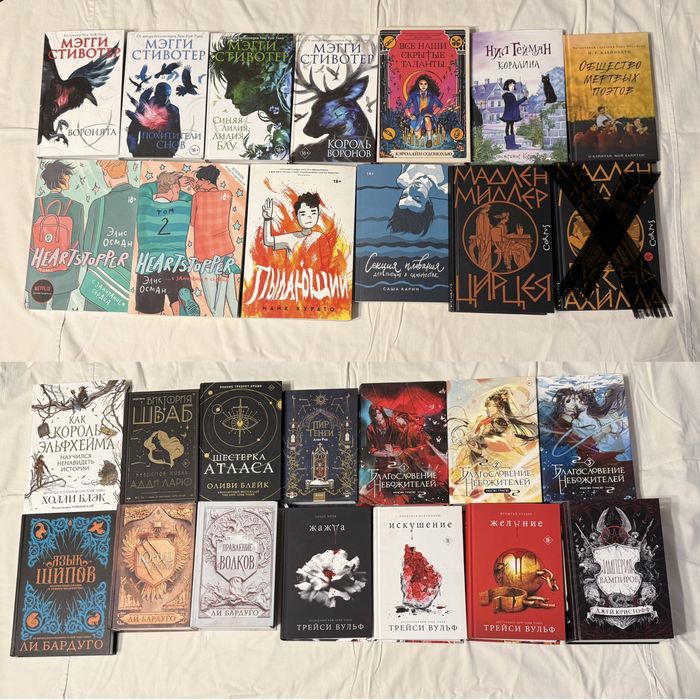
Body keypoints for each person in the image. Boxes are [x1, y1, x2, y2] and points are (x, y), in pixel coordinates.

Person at [135, 171, 196, 315]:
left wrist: (168, 182)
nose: (179, 193)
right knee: (179, 302)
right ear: (173, 188)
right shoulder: (184, 207)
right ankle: (180, 300)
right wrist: (176, 184)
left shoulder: (144, 204)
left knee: (149, 313)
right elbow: (193, 198)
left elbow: (145, 188)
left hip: (149, 263)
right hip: (177, 262)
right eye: (178, 190)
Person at [80, 160, 138, 312]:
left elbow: (87, 249)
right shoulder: (143, 199)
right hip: (132, 286)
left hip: (99, 285)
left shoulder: (98, 204)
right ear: (126, 170)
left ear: (105, 174)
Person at [27, 160, 84, 310]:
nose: (69, 178)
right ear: (60, 178)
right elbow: (80, 245)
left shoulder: (34, 204)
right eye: (67, 176)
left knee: (35, 315)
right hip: (65, 274)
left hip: (35, 274)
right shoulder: (77, 207)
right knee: (61, 316)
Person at [185, 165, 240, 317]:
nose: (197, 183)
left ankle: (223, 277)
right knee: (233, 299)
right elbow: (212, 196)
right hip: (225, 250)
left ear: (206, 180)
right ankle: (225, 275)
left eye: (199, 180)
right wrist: (200, 189)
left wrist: (198, 191)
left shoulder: (197, 197)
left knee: (215, 308)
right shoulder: (227, 195)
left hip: (206, 253)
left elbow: (193, 222)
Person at [125, 82, 182, 157]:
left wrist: (172, 151)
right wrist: (133, 150)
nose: (166, 98)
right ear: (156, 94)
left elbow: (176, 132)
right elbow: (133, 129)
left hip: (165, 153)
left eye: (168, 95)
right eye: (162, 95)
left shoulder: (173, 110)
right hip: (145, 152)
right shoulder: (145, 107)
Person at [261, 192, 326, 257]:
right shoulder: (291, 238)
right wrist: (267, 219)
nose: (309, 217)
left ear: (318, 215)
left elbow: (327, 260)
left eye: (313, 213)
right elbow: (268, 241)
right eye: (303, 214)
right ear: (297, 217)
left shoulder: (320, 237)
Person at [388, 164, 448, 235]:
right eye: (417, 198)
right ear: (428, 202)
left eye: (404, 195)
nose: (411, 189)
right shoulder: (446, 188)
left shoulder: (403, 179)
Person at [403, 75, 443, 148]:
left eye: (425, 84)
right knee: (418, 137)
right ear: (418, 85)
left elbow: (440, 105)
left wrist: (433, 114)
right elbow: (406, 107)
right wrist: (410, 115)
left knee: (427, 118)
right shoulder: (413, 95)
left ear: (428, 85)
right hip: (417, 116)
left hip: (428, 115)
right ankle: (422, 131)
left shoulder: (432, 94)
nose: (423, 86)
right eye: (421, 84)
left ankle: (429, 140)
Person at [500, 79, 528, 150]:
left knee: (510, 127)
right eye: (511, 86)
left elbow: (514, 104)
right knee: (508, 127)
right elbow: (515, 104)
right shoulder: (508, 95)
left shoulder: (508, 95)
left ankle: (512, 144)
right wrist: (524, 98)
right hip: (509, 114)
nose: (513, 87)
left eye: (513, 86)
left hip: (510, 114)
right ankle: (509, 145)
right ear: (507, 86)